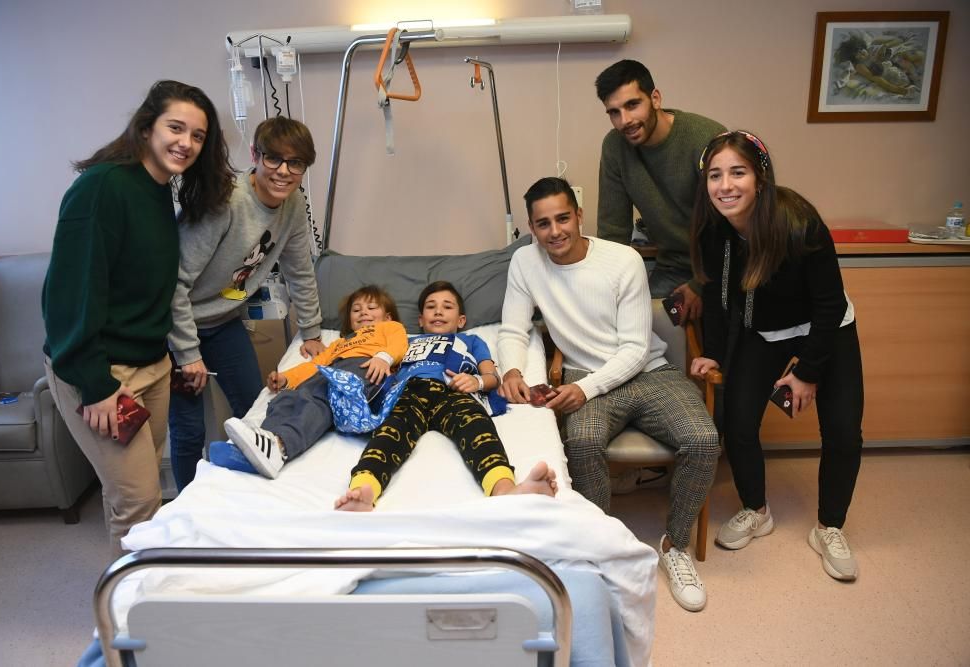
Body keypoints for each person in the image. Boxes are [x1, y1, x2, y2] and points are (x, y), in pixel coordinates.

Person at [497, 177, 720, 612]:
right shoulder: (525, 263)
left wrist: (583, 388)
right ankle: (599, 551)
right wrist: (510, 369)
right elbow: (514, 329)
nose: (555, 231)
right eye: (543, 223)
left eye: (563, 218)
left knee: (703, 438)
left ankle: (675, 546)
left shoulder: (623, 260)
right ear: (531, 227)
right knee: (580, 442)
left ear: (579, 215)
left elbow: (636, 349)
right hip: (585, 377)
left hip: (647, 372)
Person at [42, 80, 235, 558]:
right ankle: (129, 620)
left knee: (136, 492)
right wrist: (95, 383)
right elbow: (69, 295)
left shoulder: (158, 192)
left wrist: (169, 361)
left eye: (197, 135)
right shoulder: (103, 188)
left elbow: (153, 290)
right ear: (147, 126)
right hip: (105, 374)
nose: (186, 143)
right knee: (139, 500)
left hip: (150, 368)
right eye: (176, 127)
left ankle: (143, 596)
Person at [689, 130, 864, 581]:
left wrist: (807, 372)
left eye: (737, 173)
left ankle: (830, 526)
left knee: (843, 431)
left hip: (829, 328)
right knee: (738, 421)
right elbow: (715, 296)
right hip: (763, 333)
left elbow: (828, 304)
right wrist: (712, 353)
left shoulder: (798, 221)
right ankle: (756, 509)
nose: (724, 185)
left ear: (761, 179)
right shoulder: (715, 230)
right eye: (715, 175)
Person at [167, 117, 325, 492]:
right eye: (273, 159)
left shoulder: (293, 205)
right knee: (189, 429)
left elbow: (300, 270)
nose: (284, 172)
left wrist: (312, 331)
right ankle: (193, 513)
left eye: (296, 163)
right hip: (176, 325)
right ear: (255, 155)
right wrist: (187, 352)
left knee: (256, 411)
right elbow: (175, 281)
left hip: (223, 322)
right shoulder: (225, 203)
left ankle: (251, 497)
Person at [335, 281, 558, 511]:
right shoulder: (404, 342)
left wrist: (477, 381)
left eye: (447, 306)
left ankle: (505, 489)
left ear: (461, 320)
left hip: (453, 391)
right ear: (421, 320)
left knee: (477, 428)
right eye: (431, 307)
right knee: (389, 434)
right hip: (408, 392)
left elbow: (493, 377)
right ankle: (363, 491)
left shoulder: (471, 341)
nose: (438, 311)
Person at [221, 286, 407, 479]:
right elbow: (316, 365)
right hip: (332, 370)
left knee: (317, 400)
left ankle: (281, 445)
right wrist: (287, 378)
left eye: (372, 308)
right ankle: (260, 443)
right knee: (286, 399)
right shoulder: (340, 344)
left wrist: (384, 357)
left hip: (364, 368)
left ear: (387, 317)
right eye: (357, 310)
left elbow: (400, 343)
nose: (364, 313)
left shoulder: (390, 327)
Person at [595, 59, 726, 321]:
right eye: (614, 112)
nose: (625, 120)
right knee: (631, 322)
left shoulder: (706, 138)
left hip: (726, 265)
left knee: (720, 335)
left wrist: (701, 284)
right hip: (674, 267)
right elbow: (613, 233)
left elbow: (733, 226)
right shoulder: (614, 147)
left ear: (655, 98)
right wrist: (606, 292)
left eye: (633, 105)